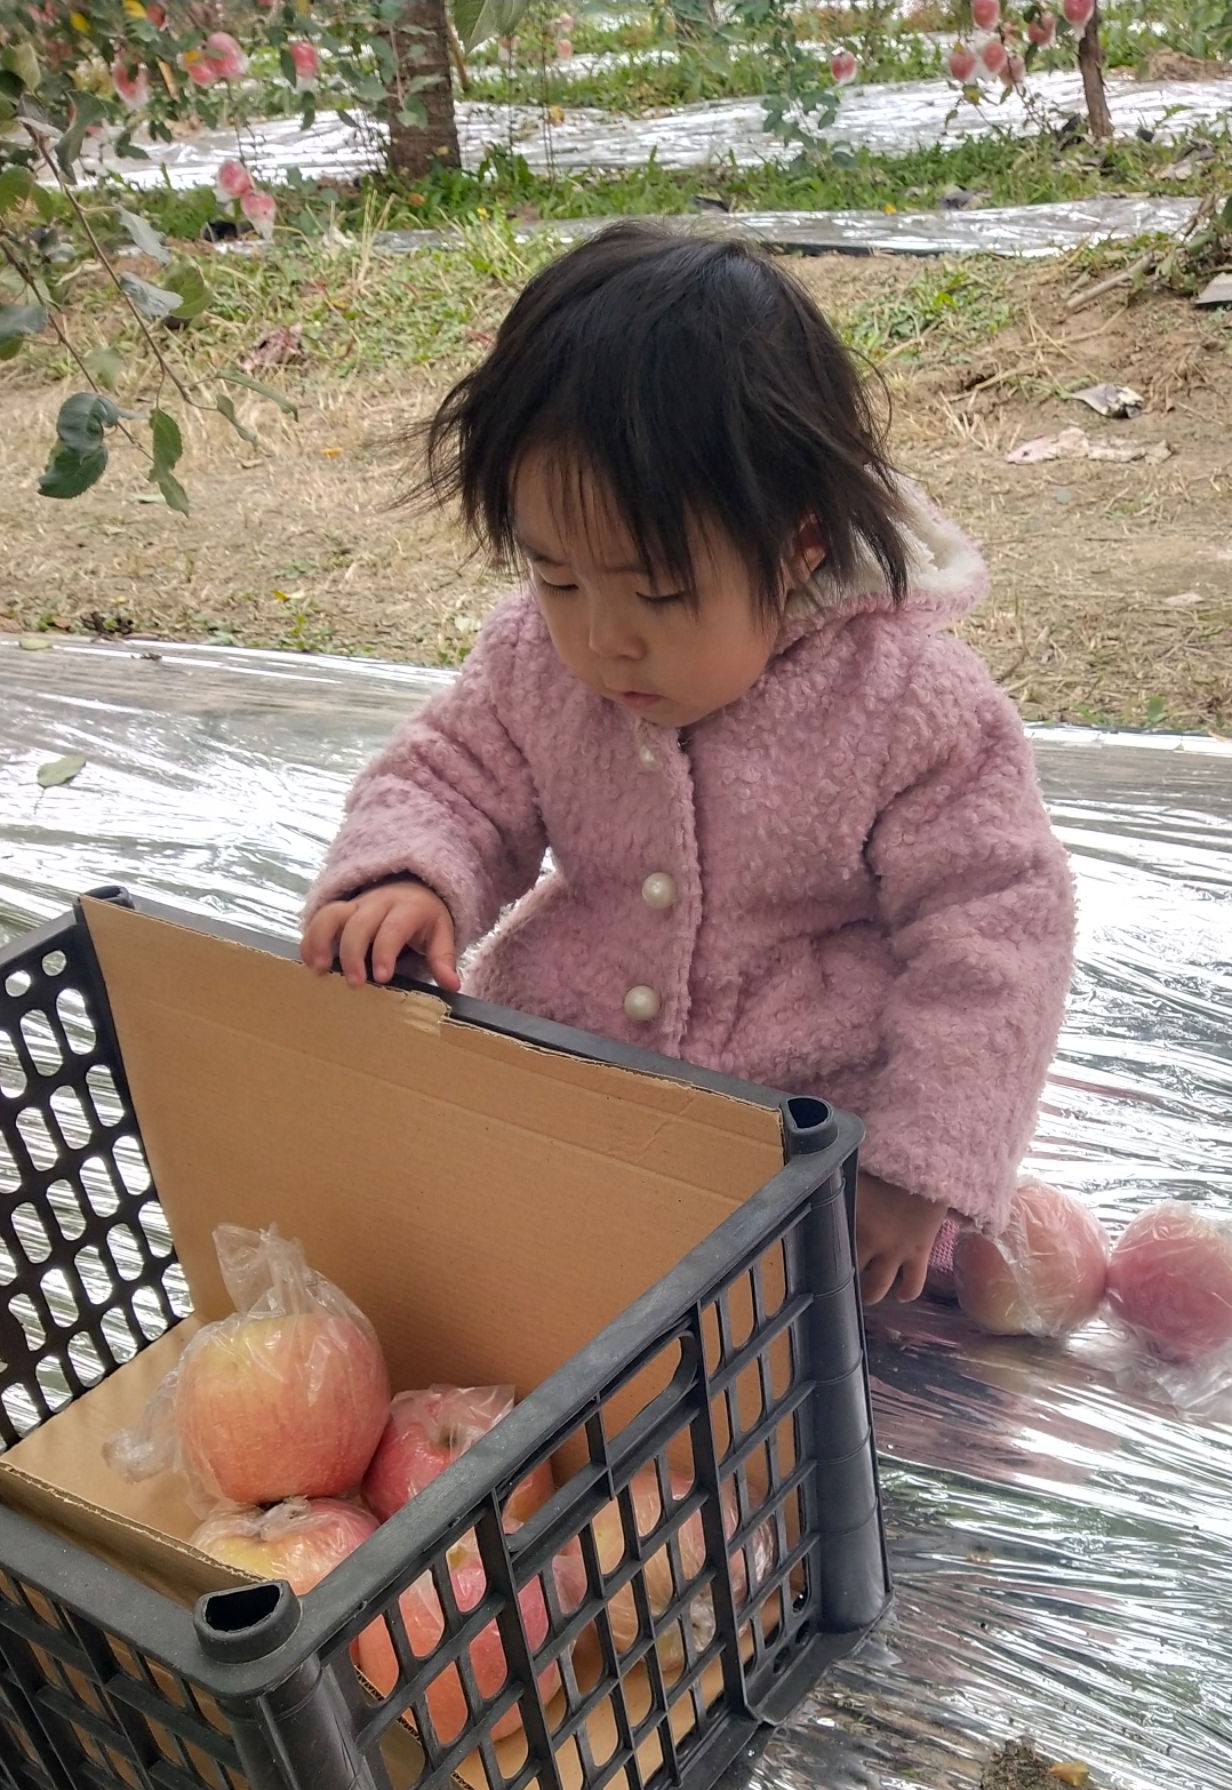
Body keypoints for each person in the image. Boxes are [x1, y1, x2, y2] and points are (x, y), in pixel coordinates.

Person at [301, 221, 1074, 1308]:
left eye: (659, 593)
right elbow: (452, 775)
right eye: (558, 578)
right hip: (573, 1094)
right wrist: (406, 875)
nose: (604, 639)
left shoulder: (908, 708)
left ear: (798, 543)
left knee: (891, 1323)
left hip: (805, 1155)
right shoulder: (535, 661)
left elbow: (998, 932)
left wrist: (919, 1167)